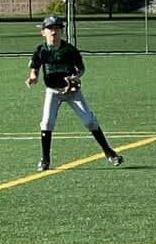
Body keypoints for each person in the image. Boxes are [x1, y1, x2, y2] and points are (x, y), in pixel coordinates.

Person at [26, 14, 123, 171]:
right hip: (52, 91)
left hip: (72, 91)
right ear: (43, 32)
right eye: (50, 28)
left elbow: (81, 68)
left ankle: (110, 153)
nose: (53, 32)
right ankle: (45, 160)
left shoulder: (69, 50)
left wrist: (74, 77)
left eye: (57, 28)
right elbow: (34, 69)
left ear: (61, 31)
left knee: (89, 121)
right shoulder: (41, 50)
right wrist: (32, 78)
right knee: (46, 123)